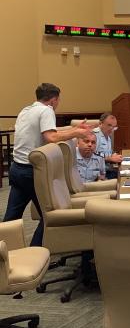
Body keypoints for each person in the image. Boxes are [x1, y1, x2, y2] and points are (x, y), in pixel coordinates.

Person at [3, 83, 91, 247]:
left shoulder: (27, 110)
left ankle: (5, 250)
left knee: (11, 217)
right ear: (54, 100)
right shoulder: (47, 110)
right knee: (49, 216)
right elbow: (51, 137)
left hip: (16, 169)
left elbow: (51, 130)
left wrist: (73, 128)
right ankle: (34, 251)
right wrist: (77, 133)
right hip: (32, 172)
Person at [94, 112, 123, 180]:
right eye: (109, 125)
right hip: (99, 173)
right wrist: (109, 158)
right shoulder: (94, 136)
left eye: (114, 126)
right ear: (100, 123)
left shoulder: (107, 135)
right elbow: (92, 154)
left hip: (108, 169)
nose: (111, 129)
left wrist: (114, 155)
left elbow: (105, 153)